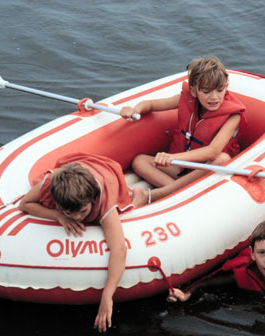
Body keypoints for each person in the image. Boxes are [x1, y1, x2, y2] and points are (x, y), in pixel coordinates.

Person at [19, 152, 136, 333]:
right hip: (77, 168)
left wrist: (107, 295)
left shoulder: (103, 201)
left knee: (125, 204)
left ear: (91, 200)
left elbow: (119, 249)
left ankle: (140, 196)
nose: (77, 218)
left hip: (106, 171)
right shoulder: (51, 184)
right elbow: (25, 204)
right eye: (69, 213)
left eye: (82, 212)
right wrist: (58, 216)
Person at [121, 56, 247, 206]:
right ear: (194, 91)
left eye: (220, 90)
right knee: (139, 161)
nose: (214, 97)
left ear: (226, 86)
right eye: (206, 92)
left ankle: (150, 195)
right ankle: (180, 190)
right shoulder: (186, 99)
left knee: (222, 159)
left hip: (205, 168)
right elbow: (150, 105)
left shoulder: (233, 116)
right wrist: (135, 109)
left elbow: (213, 151)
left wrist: (172, 157)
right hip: (182, 168)